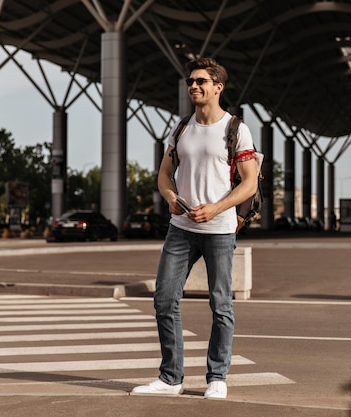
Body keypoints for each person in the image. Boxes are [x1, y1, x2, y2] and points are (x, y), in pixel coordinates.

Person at [131, 57, 258, 399]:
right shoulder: (182, 128)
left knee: (220, 304)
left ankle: (217, 377)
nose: (194, 86)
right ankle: (171, 378)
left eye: (201, 81)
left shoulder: (236, 129)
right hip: (180, 227)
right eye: (191, 81)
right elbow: (163, 174)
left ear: (218, 87)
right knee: (164, 299)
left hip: (219, 229)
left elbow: (249, 184)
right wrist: (170, 195)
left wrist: (216, 208)